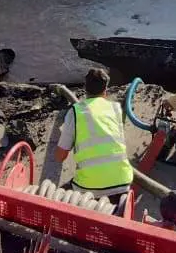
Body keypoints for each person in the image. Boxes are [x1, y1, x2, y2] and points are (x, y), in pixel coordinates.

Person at [55, 67, 133, 210]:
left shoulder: (76, 111)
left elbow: (60, 156)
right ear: (106, 89)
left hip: (89, 188)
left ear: (86, 88)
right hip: (123, 183)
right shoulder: (116, 109)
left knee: (56, 196)